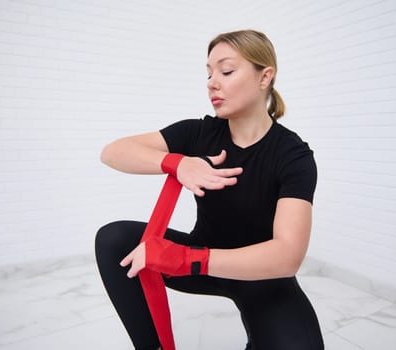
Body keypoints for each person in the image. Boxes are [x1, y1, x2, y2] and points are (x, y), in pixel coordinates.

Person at [95, 29, 324, 350]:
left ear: (265, 77)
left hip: (263, 278)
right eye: (209, 73)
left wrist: (189, 259)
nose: (212, 82)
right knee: (114, 239)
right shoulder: (200, 132)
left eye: (226, 71)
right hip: (201, 260)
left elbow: (287, 257)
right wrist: (177, 163)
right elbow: (113, 152)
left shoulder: (293, 155)